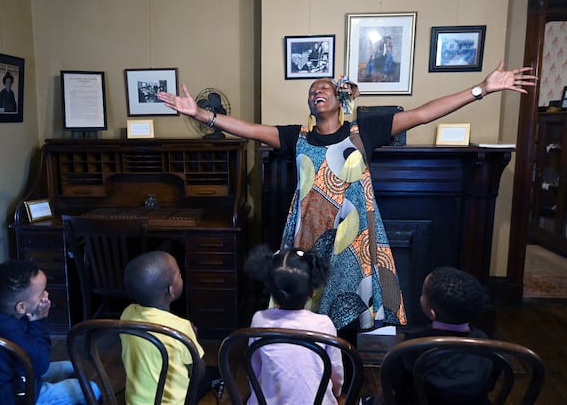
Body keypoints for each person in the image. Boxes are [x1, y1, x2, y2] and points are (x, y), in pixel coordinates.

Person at [156, 60, 536, 333]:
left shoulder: (364, 131)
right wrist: (203, 115)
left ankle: (343, 365)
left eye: (323, 88)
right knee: (306, 308)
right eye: (311, 91)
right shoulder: (295, 137)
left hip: (354, 238)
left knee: (354, 309)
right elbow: (250, 129)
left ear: (338, 98)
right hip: (309, 236)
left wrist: (481, 90)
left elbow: (422, 114)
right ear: (309, 105)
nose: (316, 92)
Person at [0, 259, 100, 405]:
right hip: (16, 398)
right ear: (21, 307)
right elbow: (42, 365)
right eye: (41, 293)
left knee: (70, 366)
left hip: (3, 384)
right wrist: (39, 320)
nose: (46, 295)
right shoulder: (13, 334)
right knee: (93, 389)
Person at [363, 266, 497, 405]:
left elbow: (389, 390)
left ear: (432, 313)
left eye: (423, 294)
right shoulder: (486, 344)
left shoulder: (410, 347)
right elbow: (490, 384)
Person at [244, 244, 344, 405]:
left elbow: (253, 370)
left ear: (272, 291)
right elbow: (337, 375)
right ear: (312, 291)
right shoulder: (324, 325)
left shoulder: (259, 320)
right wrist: (336, 392)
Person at [120, 250, 222, 404]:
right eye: (179, 275)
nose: (182, 277)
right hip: (174, 403)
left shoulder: (127, 313)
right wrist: (192, 339)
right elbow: (197, 373)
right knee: (215, 373)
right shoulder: (180, 328)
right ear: (171, 290)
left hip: (134, 401)